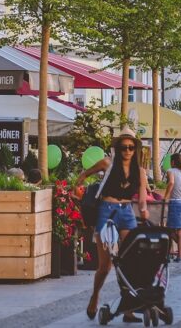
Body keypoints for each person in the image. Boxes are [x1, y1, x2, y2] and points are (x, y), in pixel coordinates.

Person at [75, 127, 149, 323]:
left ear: (135, 149)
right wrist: (78, 188)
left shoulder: (140, 171)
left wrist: (144, 210)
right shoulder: (108, 163)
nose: (127, 151)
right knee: (105, 265)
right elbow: (84, 174)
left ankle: (128, 309)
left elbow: (142, 198)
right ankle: (95, 296)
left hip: (126, 213)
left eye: (130, 147)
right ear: (118, 147)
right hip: (106, 212)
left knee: (129, 262)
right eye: (123, 147)